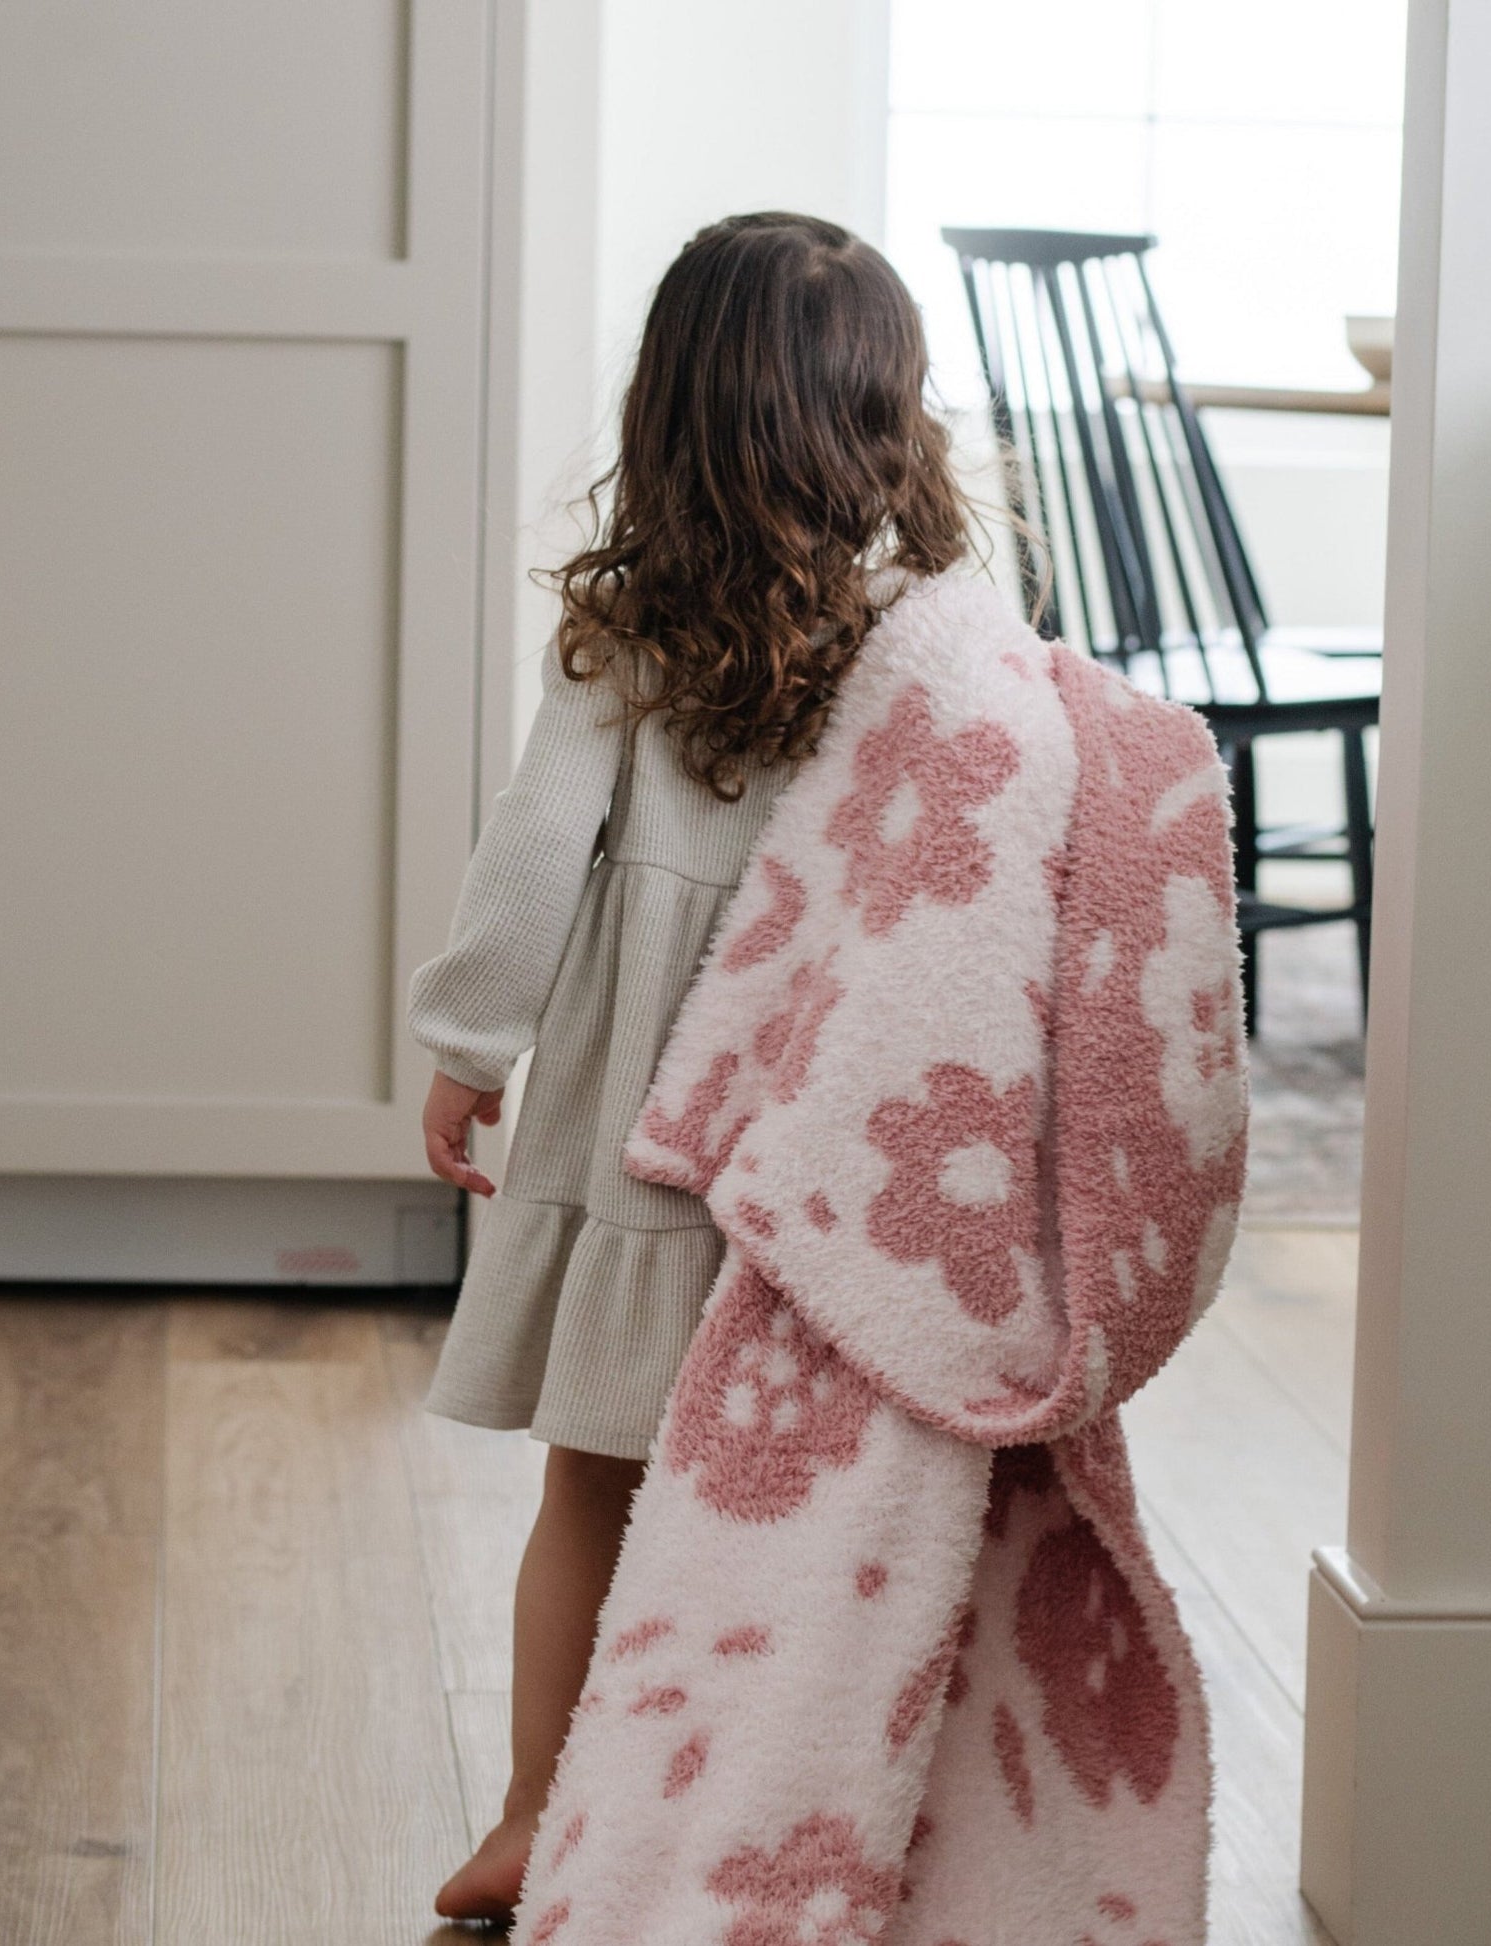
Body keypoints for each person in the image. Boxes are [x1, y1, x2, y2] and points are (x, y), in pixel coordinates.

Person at [406, 210, 977, 1923]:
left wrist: (464, 1046)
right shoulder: (935, 627)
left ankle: (534, 1810)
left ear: (670, 410)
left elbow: (525, 865)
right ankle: (779, 1820)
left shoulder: (630, 631)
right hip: (831, 1119)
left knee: (596, 1472)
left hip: (645, 1127)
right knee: (802, 1496)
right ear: (886, 412)